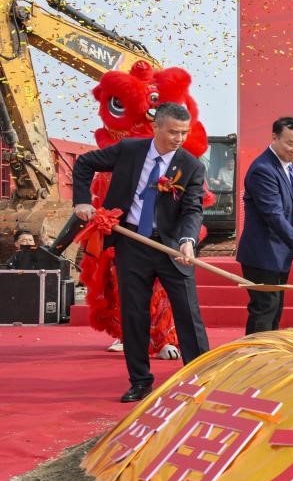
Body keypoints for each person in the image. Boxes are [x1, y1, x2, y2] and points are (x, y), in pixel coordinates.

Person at [71, 103, 209, 402]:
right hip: (131, 241)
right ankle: (140, 381)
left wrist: (187, 240)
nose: (179, 138)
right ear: (156, 127)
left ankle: (199, 379)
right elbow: (84, 164)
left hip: (171, 246)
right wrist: (81, 200)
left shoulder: (191, 166)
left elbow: (192, 209)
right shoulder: (130, 150)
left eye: (184, 133)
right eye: (172, 132)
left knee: (188, 313)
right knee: (134, 314)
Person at [235, 117, 293, 334]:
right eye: (291, 143)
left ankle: (270, 351)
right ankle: (257, 352)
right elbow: (274, 215)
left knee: (275, 308)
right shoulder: (263, 169)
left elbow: (288, 187)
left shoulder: (285, 163)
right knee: (265, 309)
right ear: (275, 137)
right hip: (263, 253)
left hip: (279, 253)